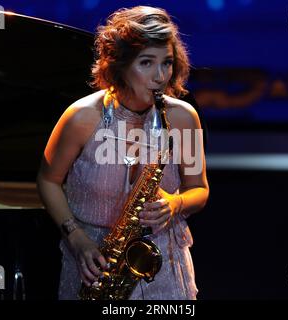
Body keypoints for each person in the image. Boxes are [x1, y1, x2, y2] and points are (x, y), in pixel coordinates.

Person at [36, 5, 209, 300]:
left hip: (165, 265)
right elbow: (48, 180)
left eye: (166, 63)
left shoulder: (182, 117)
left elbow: (199, 190)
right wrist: (76, 238)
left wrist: (176, 203)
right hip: (93, 264)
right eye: (146, 63)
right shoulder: (82, 117)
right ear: (120, 65)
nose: (160, 76)